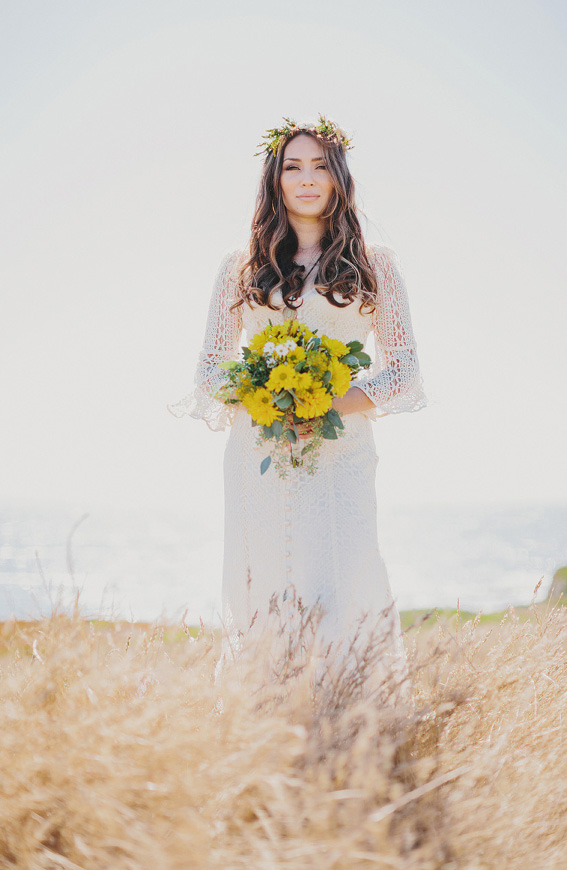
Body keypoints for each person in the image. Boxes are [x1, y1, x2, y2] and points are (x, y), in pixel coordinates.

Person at [170, 116, 426, 697]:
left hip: (342, 452)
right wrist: (264, 397)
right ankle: (266, 725)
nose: (306, 178)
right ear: (275, 179)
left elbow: (405, 371)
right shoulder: (240, 265)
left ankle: (353, 726)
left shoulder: (374, 264)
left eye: (319, 166)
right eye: (293, 166)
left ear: (338, 178)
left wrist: (332, 401)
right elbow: (210, 369)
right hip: (258, 452)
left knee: (347, 575)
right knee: (265, 583)